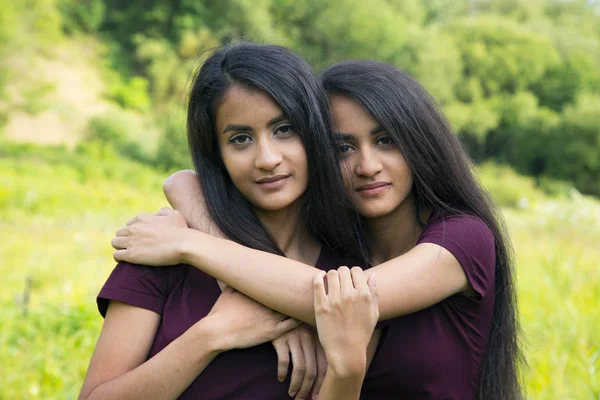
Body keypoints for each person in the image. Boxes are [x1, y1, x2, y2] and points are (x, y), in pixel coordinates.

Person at [113, 60, 524, 399]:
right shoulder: (344, 243)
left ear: (420, 141)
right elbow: (185, 179)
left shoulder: (461, 239)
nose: (367, 166)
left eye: (386, 140)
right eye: (343, 147)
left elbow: (336, 301)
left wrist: (192, 243)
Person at [80, 42, 372, 400]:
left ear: (314, 132)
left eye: (284, 130)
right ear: (216, 153)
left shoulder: (351, 271)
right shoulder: (163, 252)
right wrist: (213, 334)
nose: (267, 158)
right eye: (241, 139)